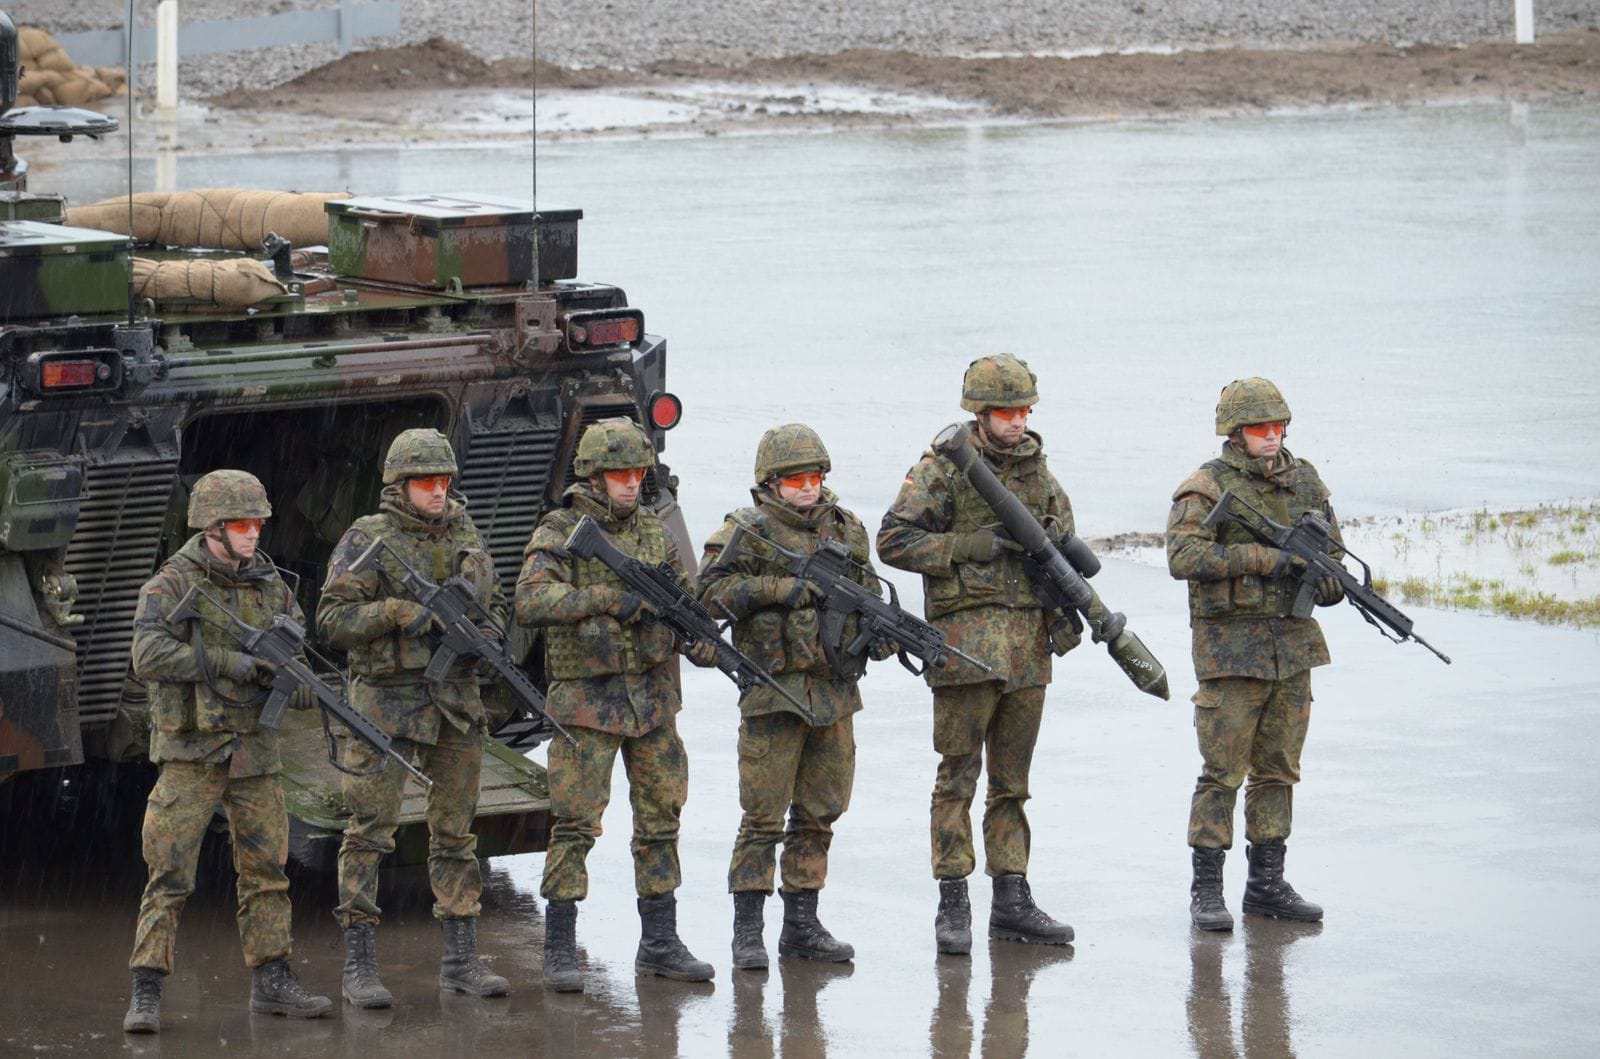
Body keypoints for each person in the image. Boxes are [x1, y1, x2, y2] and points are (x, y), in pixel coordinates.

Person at [877, 354, 1079, 955]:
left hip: (1025, 654)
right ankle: (954, 902)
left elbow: (1062, 540)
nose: (1017, 423)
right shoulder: (940, 471)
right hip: (964, 653)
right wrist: (967, 545)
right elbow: (892, 539)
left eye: (1023, 412)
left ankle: (1012, 898)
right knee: (957, 780)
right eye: (1005, 413)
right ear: (980, 414)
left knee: (1012, 784)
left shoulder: (1039, 473)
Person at [123, 470, 331, 1033]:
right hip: (193, 752)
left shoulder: (271, 584)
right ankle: (146, 989)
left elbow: (295, 644)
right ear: (212, 527)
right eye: (242, 523)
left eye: (259, 522)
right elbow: (146, 655)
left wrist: (301, 683)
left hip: (254, 753)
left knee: (267, 870)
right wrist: (224, 662)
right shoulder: (171, 584)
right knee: (168, 873)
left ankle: (272, 979)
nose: (254, 532)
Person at [516, 418, 715, 991]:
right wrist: (608, 600)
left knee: (660, 820)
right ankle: (559, 946)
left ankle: (660, 943)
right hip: (587, 703)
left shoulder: (654, 531)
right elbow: (530, 600)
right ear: (594, 477)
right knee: (576, 824)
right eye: (620, 474)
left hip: (653, 704)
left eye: (638, 473)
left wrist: (699, 639)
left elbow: (684, 600)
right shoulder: (560, 530)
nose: (632, 483)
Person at [317, 428, 510, 1005]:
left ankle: (460, 961)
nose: (439, 491)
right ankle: (359, 966)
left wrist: (490, 634)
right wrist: (399, 612)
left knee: (455, 835)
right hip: (387, 707)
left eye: (445, 481)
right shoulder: (367, 540)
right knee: (370, 833)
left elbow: (496, 603)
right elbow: (329, 621)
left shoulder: (466, 534)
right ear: (400, 486)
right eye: (427, 482)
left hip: (455, 705)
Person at [699, 424, 885, 970]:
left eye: (816, 477)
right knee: (762, 816)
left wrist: (874, 636)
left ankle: (802, 923)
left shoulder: (847, 530)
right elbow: (706, 594)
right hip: (774, 694)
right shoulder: (746, 531)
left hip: (833, 694)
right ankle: (748, 931)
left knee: (820, 813)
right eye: (797, 478)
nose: (809, 488)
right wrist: (777, 589)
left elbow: (869, 593)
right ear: (772, 483)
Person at [1167, 377, 1343, 931]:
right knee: (1222, 773)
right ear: (1236, 432)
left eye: (1279, 426)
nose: (1273, 436)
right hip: (1230, 654)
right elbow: (1183, 555)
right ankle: (1207, 889)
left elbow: (1334, 556)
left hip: (1292, 652)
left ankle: (1267, 884)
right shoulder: (1205, 487)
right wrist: (1268, 560)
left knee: (1279, 772)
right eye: (1261, 427)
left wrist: (1326, 578)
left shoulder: (1305, 481)